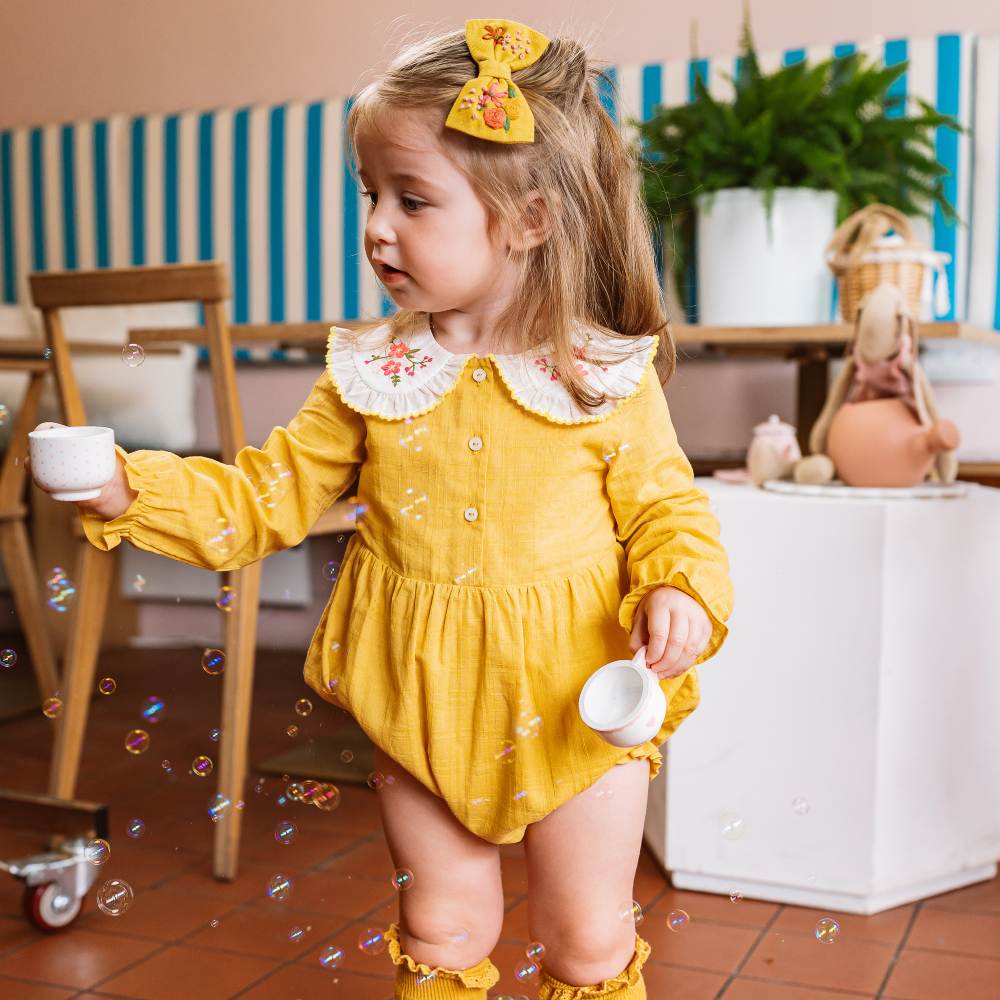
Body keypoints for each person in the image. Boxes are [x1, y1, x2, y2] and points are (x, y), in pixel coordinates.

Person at [33, 18, 732, 999]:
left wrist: (677, 587)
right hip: (417, 699)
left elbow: (670, 510)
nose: (375, 226)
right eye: (369, 195)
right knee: (441, 928)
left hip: (579, 701)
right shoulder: (373, 374)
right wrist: (127, 485)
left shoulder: (598, 374)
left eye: (413, 199)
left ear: (529, 218)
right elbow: (261, 498)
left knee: (585, 943)